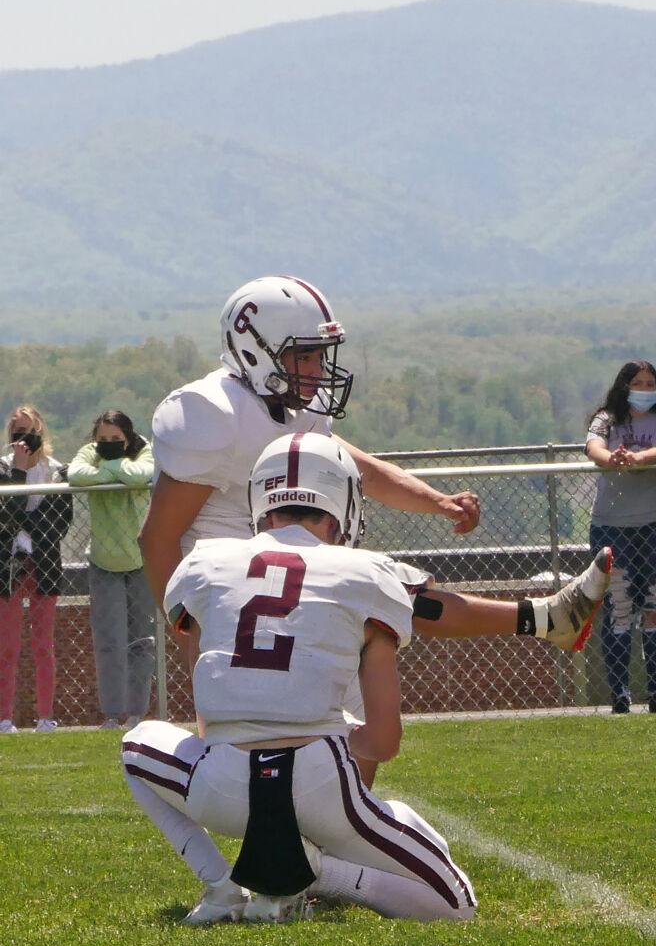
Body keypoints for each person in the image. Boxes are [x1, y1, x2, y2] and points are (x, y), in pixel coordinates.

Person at [139, 277, 611, 684]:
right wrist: (185, 627)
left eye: (319, 357)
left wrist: (436, 501)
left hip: (289, 579)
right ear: (253, 350)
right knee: (386, 599)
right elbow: (158, 537)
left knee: (389, 603)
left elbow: (358, 466)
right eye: (302, 357)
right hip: (233, 598)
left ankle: (549, 619)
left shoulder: (286, 407)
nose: (317, 371)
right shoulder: (212, 414)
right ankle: (549, 618)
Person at [122, 433, 475, 924]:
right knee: (454, 902)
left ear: (262, 506)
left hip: (222, 786)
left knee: (137, 744)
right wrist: (322, 726)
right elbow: (383, 742)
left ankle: (221, 885)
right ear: (341, 509)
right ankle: (317, 872)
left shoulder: (203, 562)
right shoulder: (367, 573)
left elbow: (207, 699)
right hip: (319, 786)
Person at [583, 360, 656, 714]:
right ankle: (620, 695)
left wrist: (639, 459)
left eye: (649, 382)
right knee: (618, 608)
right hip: (612, 525)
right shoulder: (606, 419)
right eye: (637, 382)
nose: (643, 389)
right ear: (623, 386)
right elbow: (593, 447)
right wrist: (613, 458)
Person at [67, 410, 159, 729]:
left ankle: (137, 712)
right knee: (109, 640)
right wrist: (115, 468)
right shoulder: (88, 454)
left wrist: (108, 468)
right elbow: (76, 474)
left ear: (128, 438)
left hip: (140, 560)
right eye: (102, 440)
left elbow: (141, 475)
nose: (107, 444)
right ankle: (111, 713)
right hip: (103, 561)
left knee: (141, 641)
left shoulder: (144, 449)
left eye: (115, 440)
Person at [0, 407, 71, 733]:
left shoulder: (57, 472)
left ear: (41, 431)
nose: (23, 440)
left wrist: (26, 522)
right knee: (7, 647)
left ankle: (45, 716)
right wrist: (18, 469)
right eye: (17, 434)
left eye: (29, 432)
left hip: (43, 563)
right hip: (8, 566)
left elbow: (59, 523)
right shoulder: (3, 469)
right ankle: (4, 718)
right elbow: (6, 515)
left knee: (44, 645)